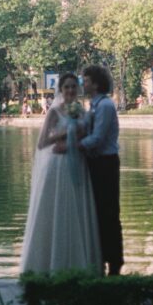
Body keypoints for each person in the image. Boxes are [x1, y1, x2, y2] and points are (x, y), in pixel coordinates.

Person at [19, 72, 102, 274]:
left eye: (74, 86)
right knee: (57, 210)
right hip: (57, 167)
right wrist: (65, 133)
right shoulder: (54, 112)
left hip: (78, 164)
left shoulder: (82, 111)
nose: (71, 90)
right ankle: (50, 264)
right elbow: (42, 143)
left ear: (78, 89)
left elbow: (89, 137)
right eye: (67, 87)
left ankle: (79, 264)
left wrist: (79, 137)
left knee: (77, 210)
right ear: (61, 90)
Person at [79, 65, 124, 276]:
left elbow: (98, 138)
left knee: (109, 212)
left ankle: (115, 261)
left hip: (106, 163)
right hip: (96, 163)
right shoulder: (93, 105)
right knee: (97, 212)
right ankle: (101, 259)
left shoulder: (105, 105)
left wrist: (74, 146)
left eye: (86, 81)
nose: (83, 84)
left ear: (95, 83)